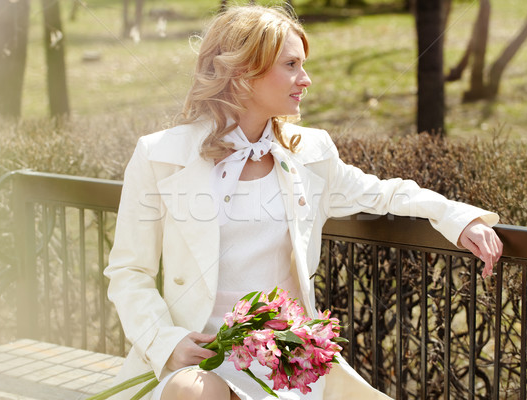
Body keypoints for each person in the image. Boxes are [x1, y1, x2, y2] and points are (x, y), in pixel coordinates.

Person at [104, 5, 503, 400]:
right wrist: (166, 341)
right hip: (193, 359)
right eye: (291, 64)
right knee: (194, 392)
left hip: (281, 362)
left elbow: (385, 192)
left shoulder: (310, 151)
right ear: (244, 72)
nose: (306, 79)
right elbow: (129, 270)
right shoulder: (160, 155)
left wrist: (459, 218)